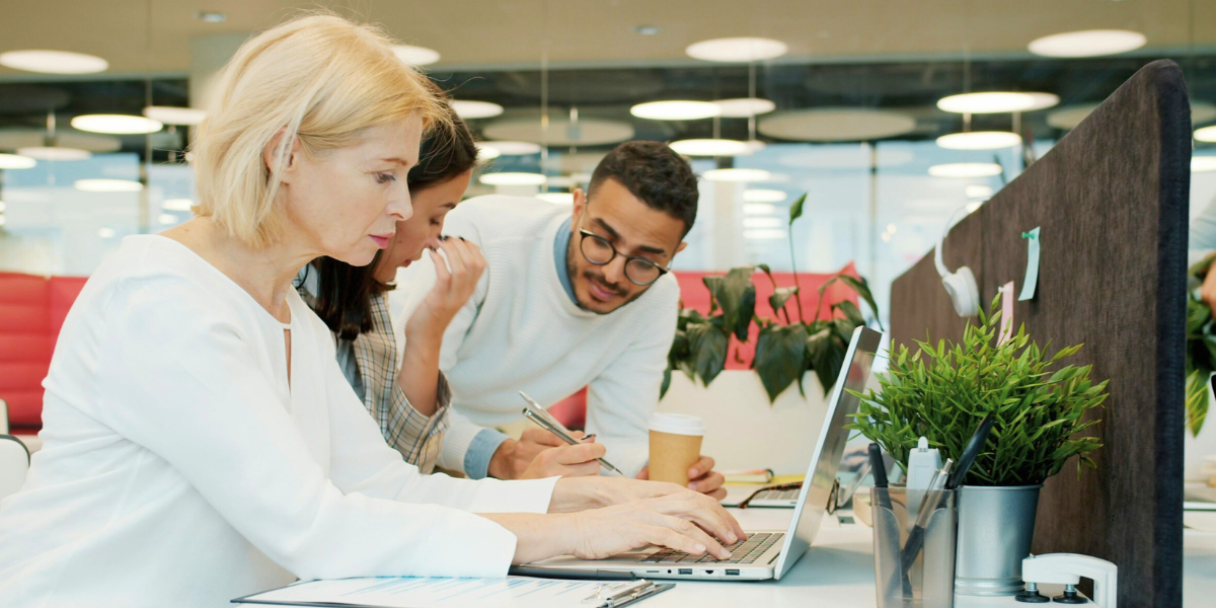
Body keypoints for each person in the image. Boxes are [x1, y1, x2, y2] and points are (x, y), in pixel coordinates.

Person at [0, 15, 743, 607]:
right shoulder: (163, 300)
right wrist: (578, 535)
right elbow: (317, 529)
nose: (400, 206)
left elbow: (385, 488)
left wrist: (583, 492)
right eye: (383, 174)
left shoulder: (282, 306)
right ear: (284, 153)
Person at [391, 141, 727, 497]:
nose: (613, 274)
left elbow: (620, 435)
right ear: (577, 206)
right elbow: (396, 400)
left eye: (644, 262)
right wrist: (499, 455)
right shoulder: (480, 237)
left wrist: (652, 477)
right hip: (399, 437)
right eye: (601, 241)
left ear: (675, 254)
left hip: (468, 439)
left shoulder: (657, 298)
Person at [300, 100, 594, 477]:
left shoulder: (367, 300)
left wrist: (429, 329)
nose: (435, 240)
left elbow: (408, 461)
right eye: (435, 217)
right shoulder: (288, 290)